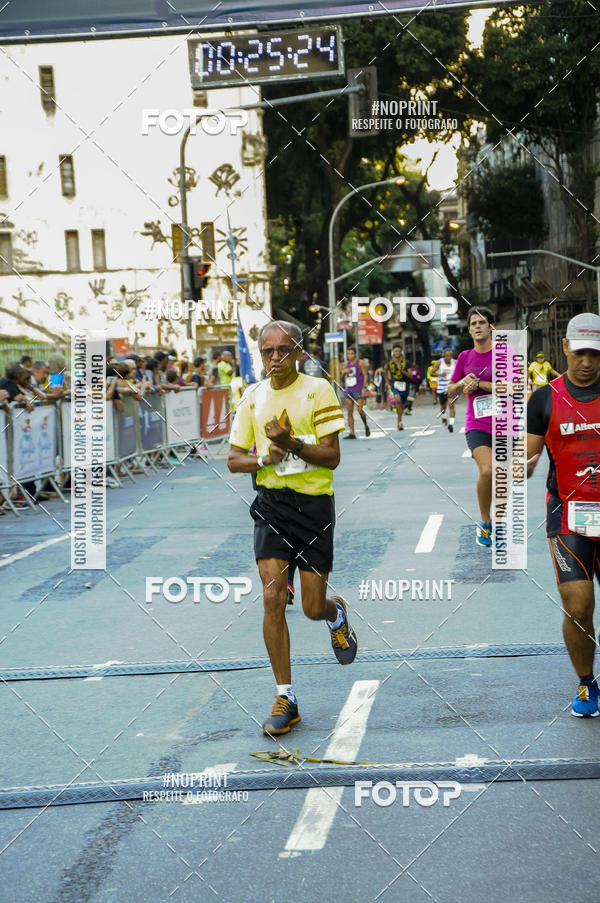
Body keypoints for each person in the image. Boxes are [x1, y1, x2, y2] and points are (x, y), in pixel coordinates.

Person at [227, 320, 357, 736]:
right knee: (271, 597)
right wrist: (266, 459)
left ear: (300, 351)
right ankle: (286, 696)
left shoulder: (318, 391)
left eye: (284, 350)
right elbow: (233, 458)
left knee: (311, 608)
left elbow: (332, 457)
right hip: (272, 506)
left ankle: (335, 615)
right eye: (268, 351)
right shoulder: (253, 397)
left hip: (314, 507)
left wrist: (292, 444)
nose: (275, 358)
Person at [527, 312, 600, 717]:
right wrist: (523, 464)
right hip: (568, 514)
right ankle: (586, 682)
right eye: (581, 352)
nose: (587, 362)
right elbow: (528, 452)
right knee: (578, 606)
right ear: (566, 348)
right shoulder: (544, 399)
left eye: (595, 353)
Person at [448, 307, 496, 548]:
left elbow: (514, 387)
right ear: (469, 329)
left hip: (505, 424)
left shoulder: (505, 354)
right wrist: (460, 384)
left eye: (482, 322)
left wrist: (481, 384)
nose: (478, 326)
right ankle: (486, 522)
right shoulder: (465, 358)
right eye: (473, 323)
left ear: (491, 327)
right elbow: (449, 389)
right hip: (476, 423)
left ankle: (501, 521)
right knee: (487, 470)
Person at [341, 346, 370, 438]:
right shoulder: (346, 364)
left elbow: (365, 375)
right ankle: (352, 433)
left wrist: (364, 387)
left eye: (351, 353)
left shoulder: (360, 363)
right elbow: (341, 378)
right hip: (349, 389)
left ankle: (366, 426)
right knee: (349, 412)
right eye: (348, 354)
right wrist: (344, 372)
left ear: (355, 354)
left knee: (360, 410)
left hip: (359, 389)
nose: (349, 355)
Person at [386, 344, 412, 430]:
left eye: (398, 351)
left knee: (401, 404)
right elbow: (386, 372)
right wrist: (387, 382)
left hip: (405, 385)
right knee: (397, 400)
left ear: (401, 352)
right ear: (393, 352)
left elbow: (410, 375)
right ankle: (399, 422)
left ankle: (400, 419)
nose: (397, 352)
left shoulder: (406, 362)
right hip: (395, 385)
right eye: (395, 351)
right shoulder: (390, 363)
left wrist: (401, 370)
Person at [432, 347, 457, 431]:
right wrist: (439, 375)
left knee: (451, 404)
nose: (448, 357)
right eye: (446, 356)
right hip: (441, 387)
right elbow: (432, 373)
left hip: (451, 387)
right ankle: (444, 416)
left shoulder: (455, 362)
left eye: (450, 356)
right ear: (444, 355)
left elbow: (461, 372)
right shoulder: (439, 362)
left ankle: (451, 424)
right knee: (443, 406)